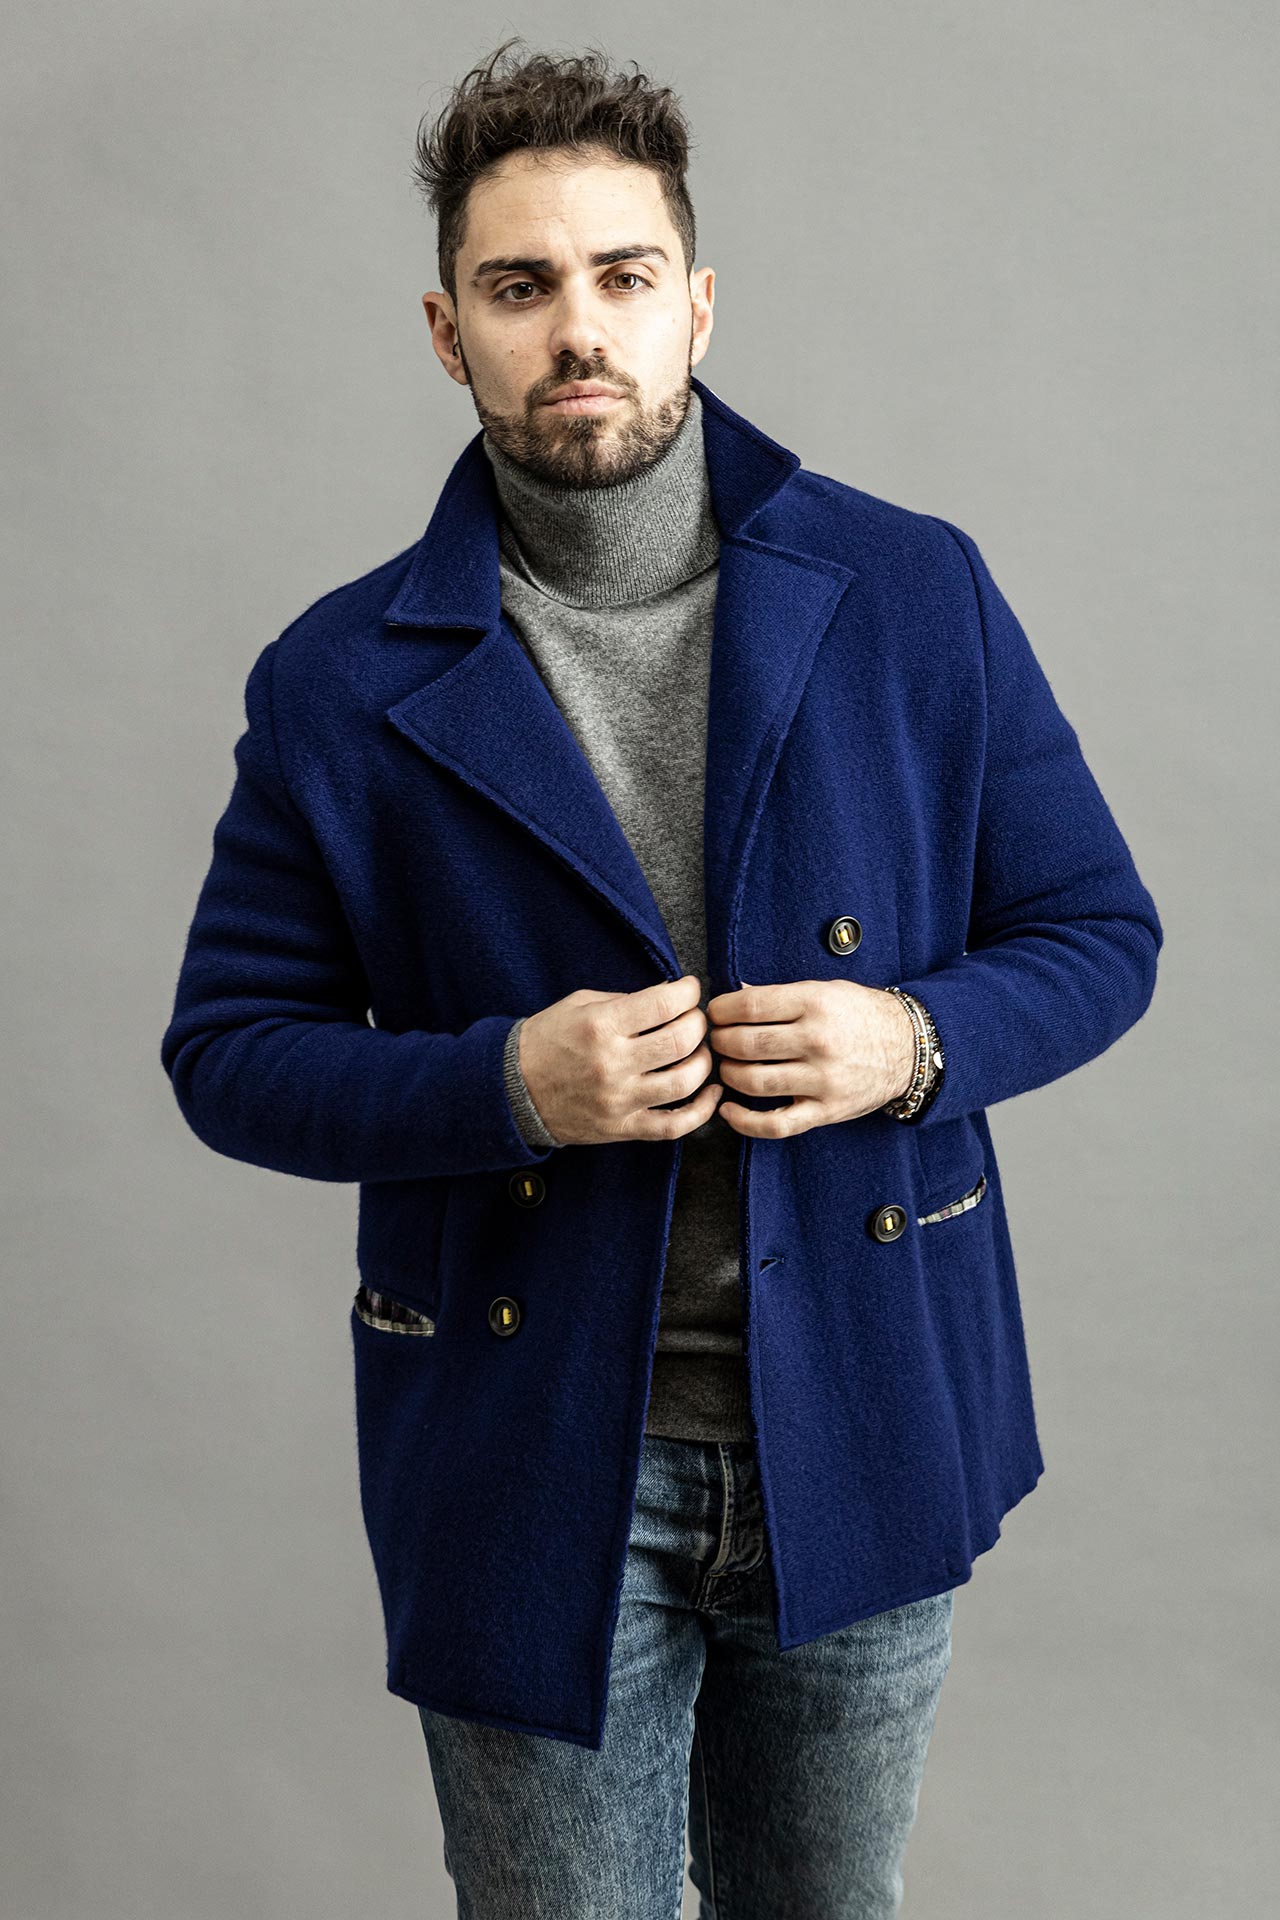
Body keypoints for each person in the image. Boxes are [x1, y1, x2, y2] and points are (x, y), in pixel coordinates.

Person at [160, 36, 1163, 1918]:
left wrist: (914, 1040)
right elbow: (228, 1054)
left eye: (622, 276)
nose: (579, 329)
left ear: (697, 303)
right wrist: (504, 1089)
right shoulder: (335, 681)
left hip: (863, 1403)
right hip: (536, 1448)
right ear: (447, 332)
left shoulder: (912, 590)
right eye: (520, 285)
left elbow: (1103, 936)